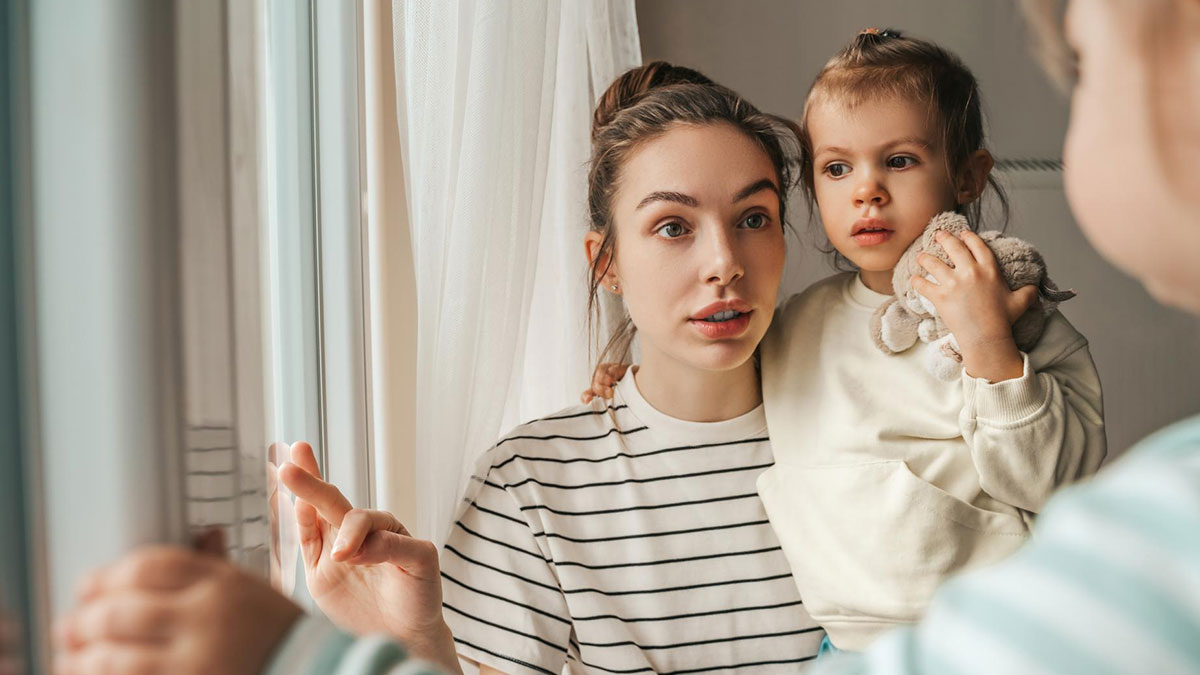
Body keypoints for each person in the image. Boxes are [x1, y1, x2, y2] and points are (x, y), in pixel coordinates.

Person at [53, 0, 1200, 672]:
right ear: (603, 261)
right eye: (669, 227)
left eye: (756, 218)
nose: (723, 261)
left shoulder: (866, 399)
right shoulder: (532, 486)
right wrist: (425, 644)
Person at [586, 28, 1107, 653]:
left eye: (900, 160)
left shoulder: (1014, 309)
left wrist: (990, 349)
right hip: (845, 646)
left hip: (997, 635)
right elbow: (704, 377)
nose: (867, 189)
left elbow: (1065, 486)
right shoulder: (795, 328)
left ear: (968, 176)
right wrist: (624, 376)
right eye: (837, 167)